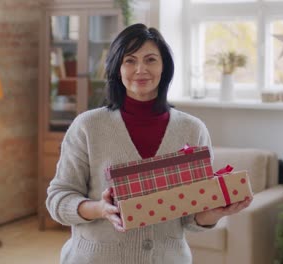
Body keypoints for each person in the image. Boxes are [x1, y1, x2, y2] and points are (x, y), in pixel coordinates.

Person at [46, 23, 252, 264]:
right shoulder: (87, 126)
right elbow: (58, 200)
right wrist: (100, 209)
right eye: (130, 60)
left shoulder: (193, 130)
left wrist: (212, 214)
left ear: (164, 67)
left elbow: (190, 218)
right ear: (117, 68)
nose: (140, 69)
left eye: (151, 60)